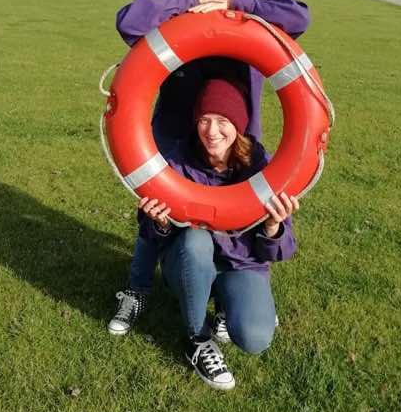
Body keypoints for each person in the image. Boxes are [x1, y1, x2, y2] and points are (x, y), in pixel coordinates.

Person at [109, 0, 308, 335]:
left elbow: (299, 17)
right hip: (171, 136)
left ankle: (231, 296)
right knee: (157, 213)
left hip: (233, 136)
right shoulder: (175, 3)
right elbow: (130, 22)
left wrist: (234, 3)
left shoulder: (254, 10)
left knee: (237, 214)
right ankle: (138, 289)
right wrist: (191, 3)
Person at [120, 79, 299, 390]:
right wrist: (158, 221)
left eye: (222, 121)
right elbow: (151, 233)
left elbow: (283, 249)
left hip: (239, 265)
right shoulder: (178, 159)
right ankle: (198, 339)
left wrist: (273, 228)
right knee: (195, 240)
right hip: (189, 263)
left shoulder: (260, 166)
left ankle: (229, 309)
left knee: (256, 337)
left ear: (239, 125)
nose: (211, 131)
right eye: (204, 120)